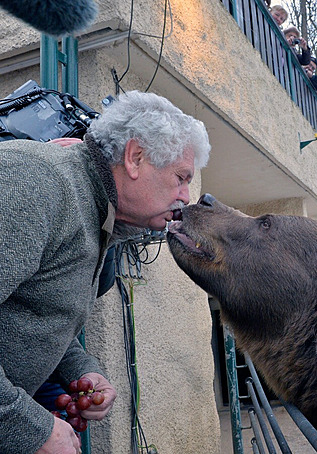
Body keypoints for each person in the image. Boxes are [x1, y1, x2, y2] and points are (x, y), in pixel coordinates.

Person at [0, 90, 211, 454]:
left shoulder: (99, 214)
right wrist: (24, 425)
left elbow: (38, 313)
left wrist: (83, 369)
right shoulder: (36, 183)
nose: (186, 196)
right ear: (135, 158)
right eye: (181, 177)